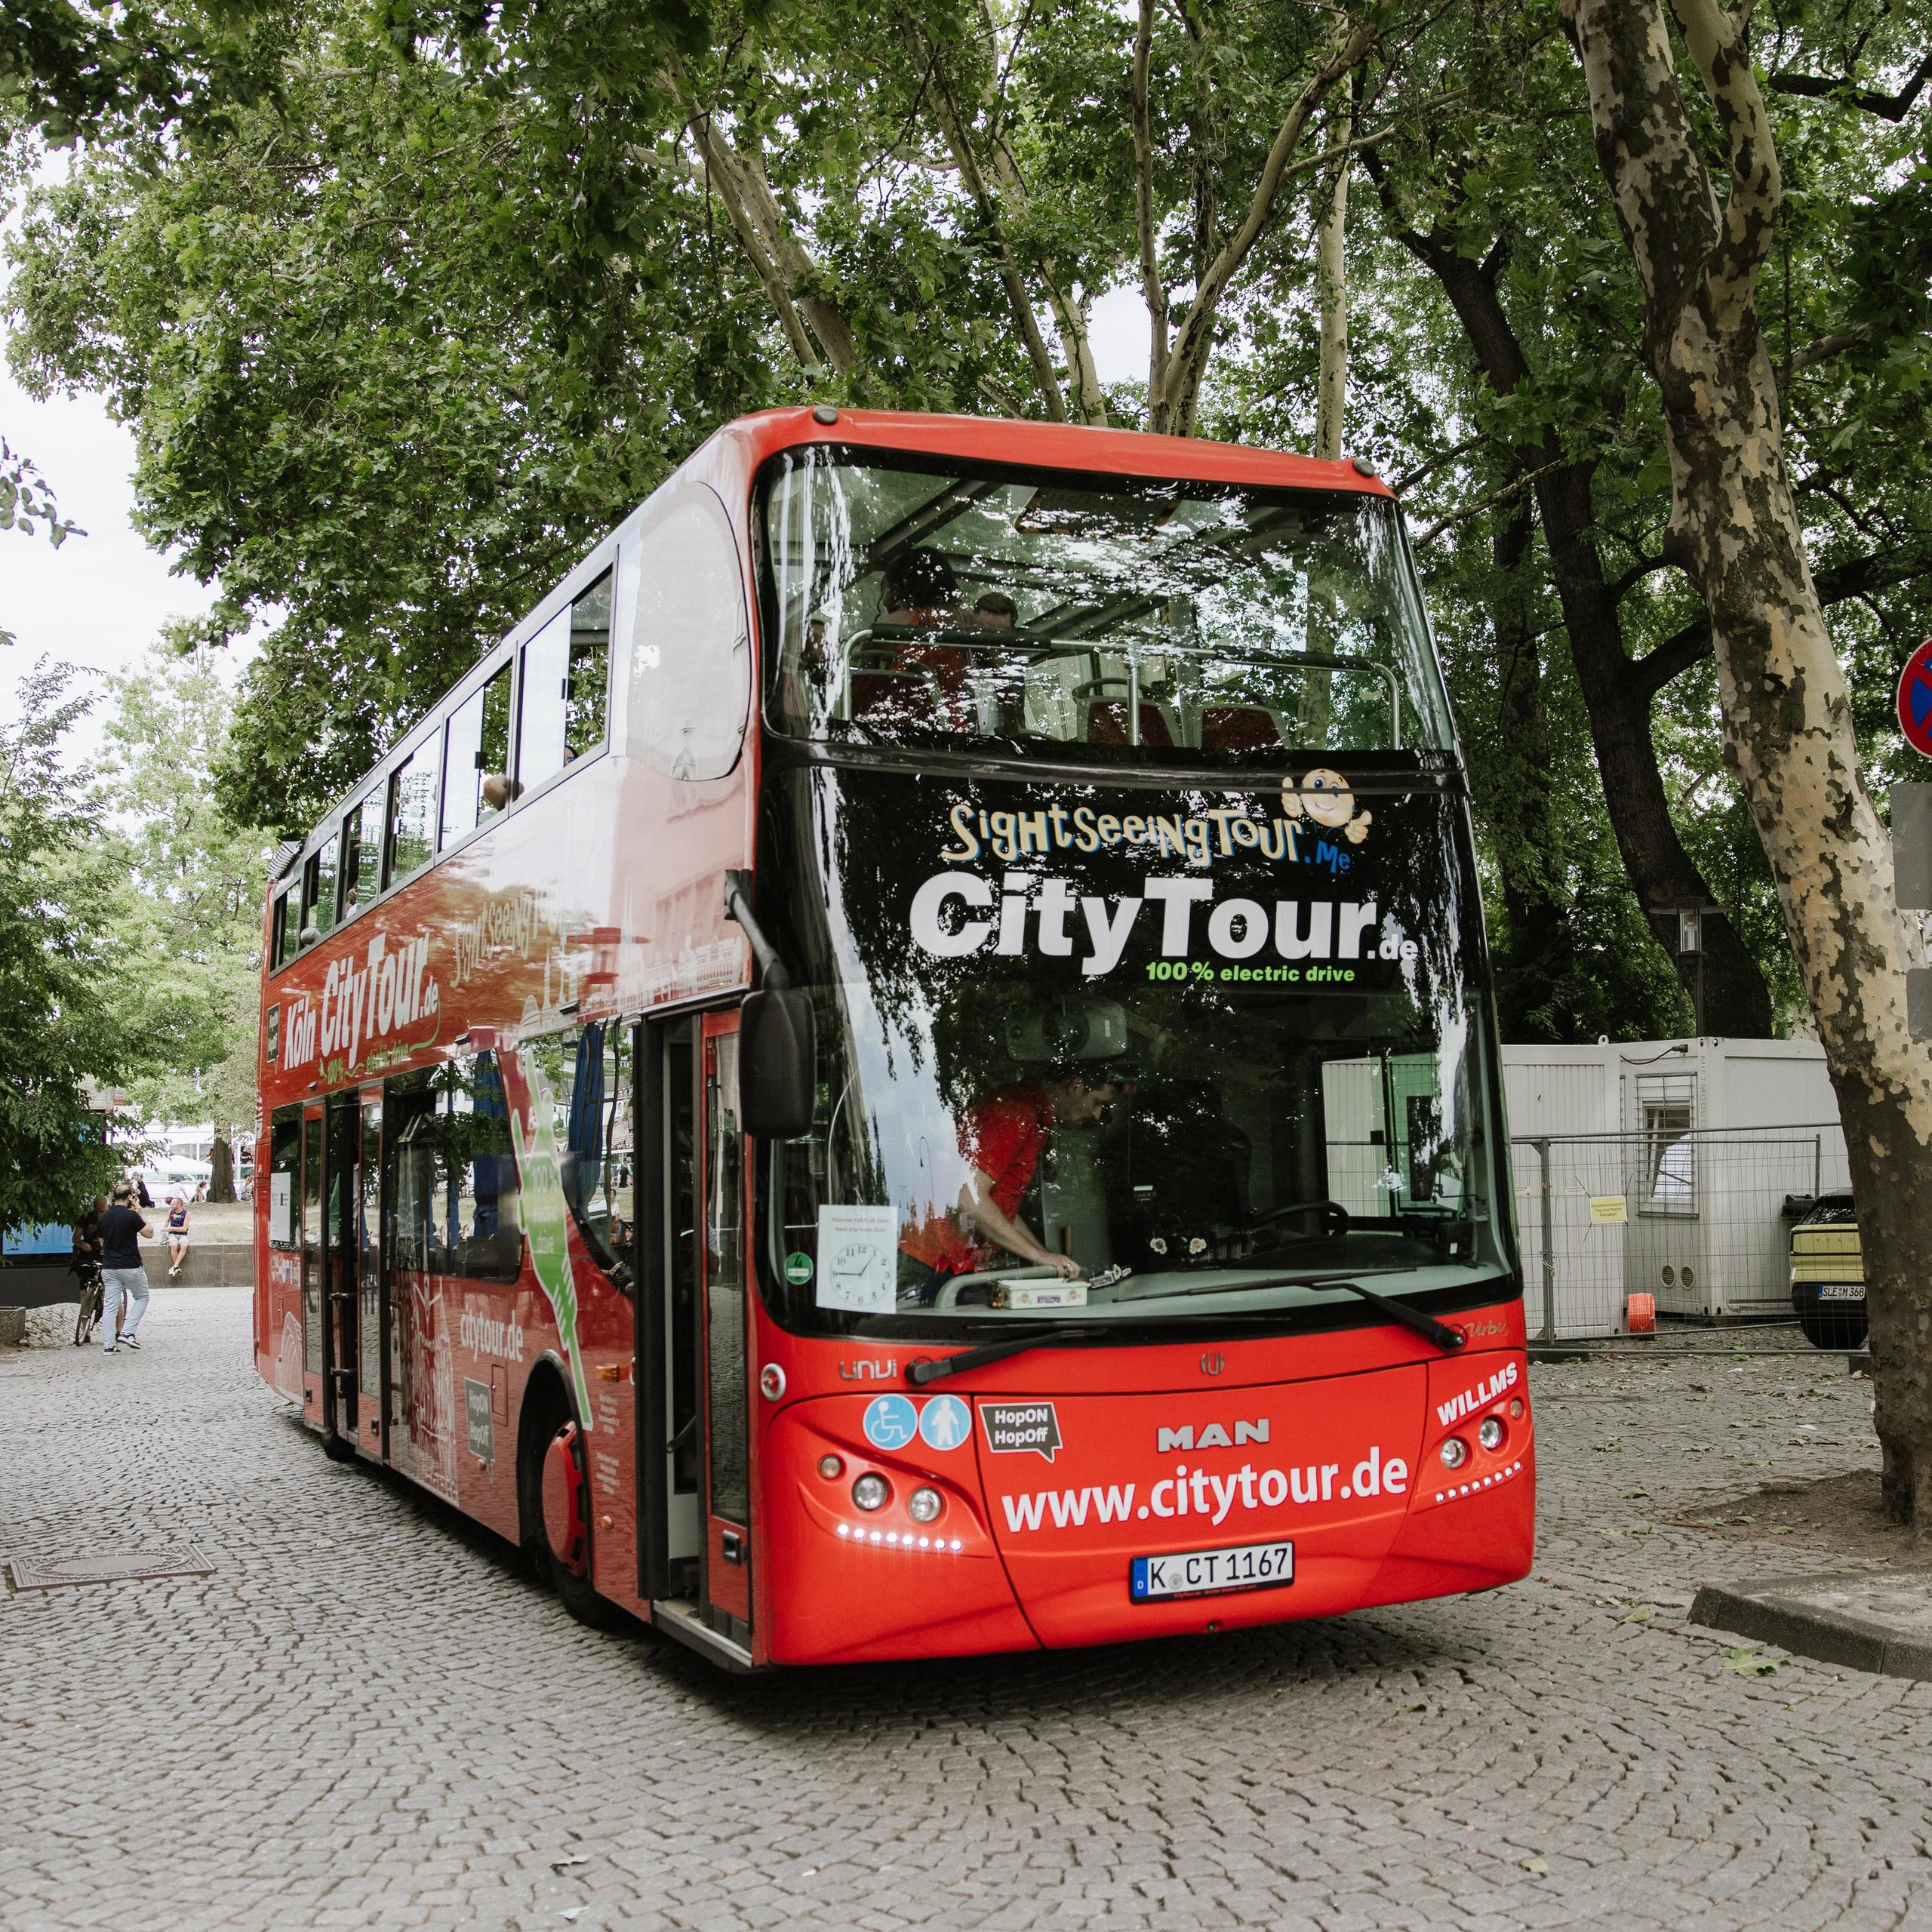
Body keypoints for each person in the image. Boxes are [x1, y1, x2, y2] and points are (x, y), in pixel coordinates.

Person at [899, 1066, 1121, 1302]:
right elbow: (970, 1199)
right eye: (1097, 1102)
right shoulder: (1015, 1114)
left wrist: (1043, 1257)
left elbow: (999, 1208)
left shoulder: (1030, 1116)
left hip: (949, 1263)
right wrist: (1036, 1254)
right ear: (1076, 1086)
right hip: (933, 1265)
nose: (1097, 1114)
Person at [96, 1180, 152, 1355]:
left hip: (109, 1267)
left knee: (110, 1305)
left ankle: (108, 1345)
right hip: (130, 1264)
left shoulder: (103, 1216)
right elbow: (149, 1233)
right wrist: (140, 1213)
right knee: (142, 1297)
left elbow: (102, 1242)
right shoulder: (131, 1216)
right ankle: (128, 1332)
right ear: (130, 1197)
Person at [165, 1192, 190, 1279]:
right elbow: (166, 1222)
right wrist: (166, 1228)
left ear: (179, 1205)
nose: (171, 1205)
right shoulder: (170, 1212)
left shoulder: (186, 1213)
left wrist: (171, 1228)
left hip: (182, 1235)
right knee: (174, 1245)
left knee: (184, 1245)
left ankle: (175, 1266)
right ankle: (176, 1267)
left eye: (173, 1204)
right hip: (172, 1235)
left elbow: (184, 1228)